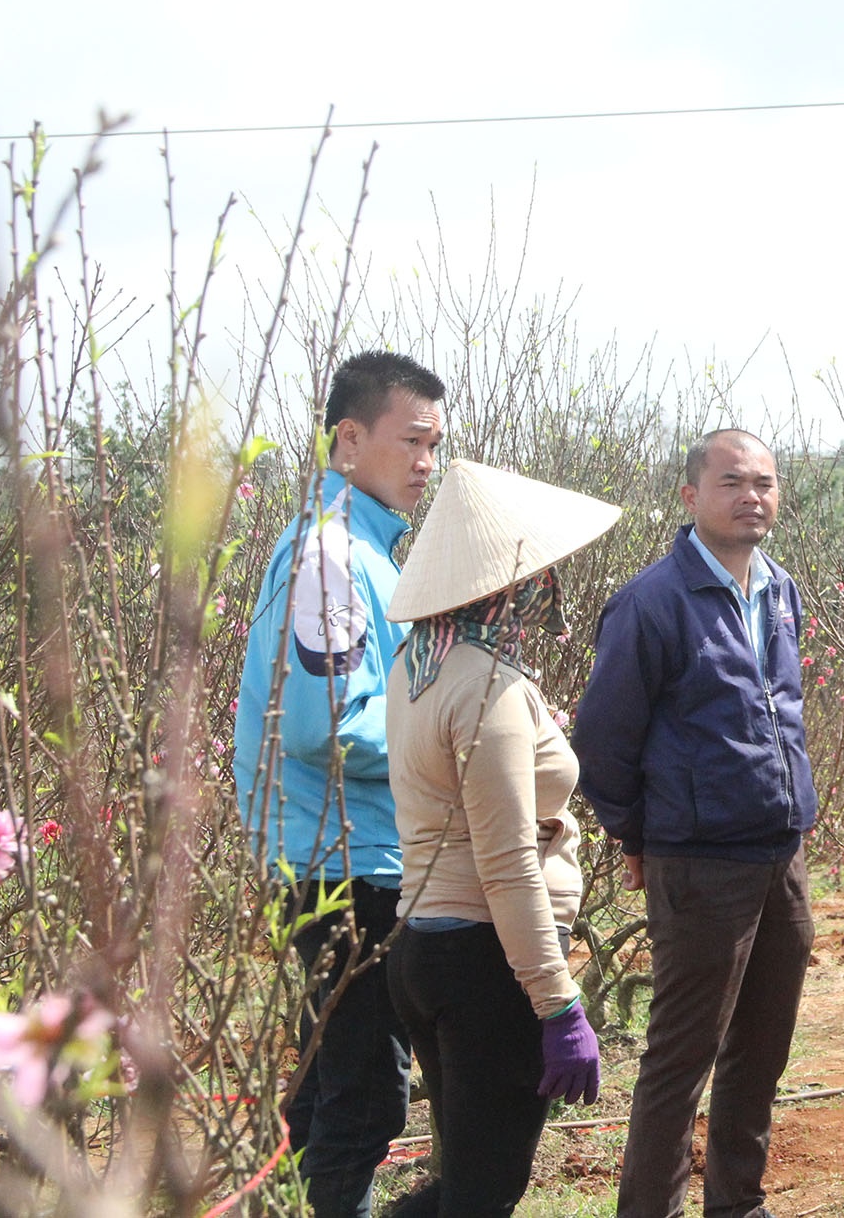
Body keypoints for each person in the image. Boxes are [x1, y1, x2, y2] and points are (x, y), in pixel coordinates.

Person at [573, 429, 817, 1218]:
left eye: (766, 483)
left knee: (762, 1050)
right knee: (682, 1060)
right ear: (690, 497)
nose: (753, 497)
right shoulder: (653, 603)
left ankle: (737, 1204)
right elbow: (602, 741)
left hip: (780, 854)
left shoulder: (779, 590)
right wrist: (640, 835)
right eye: (733, 482)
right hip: (699, 864)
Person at [230, 350, 444, 1218]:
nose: (427, 462)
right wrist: (445, 750)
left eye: (437, 446)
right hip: (343, 859)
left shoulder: (367, 547)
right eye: (413, 441)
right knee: (366, 1097)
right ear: (348, 440)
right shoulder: (331, 555)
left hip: (349, 847)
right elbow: (327, 721)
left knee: (329, 1087)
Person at [383, 459, 621, 1216]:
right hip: (488, 966)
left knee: (464, 1184)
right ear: (510, 584)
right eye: (539, 575)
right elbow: (507, 861)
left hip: (428, 948)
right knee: (484, 1194)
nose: (550, 589)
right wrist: (557, 1005)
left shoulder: (417, 665)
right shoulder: (487, 688)